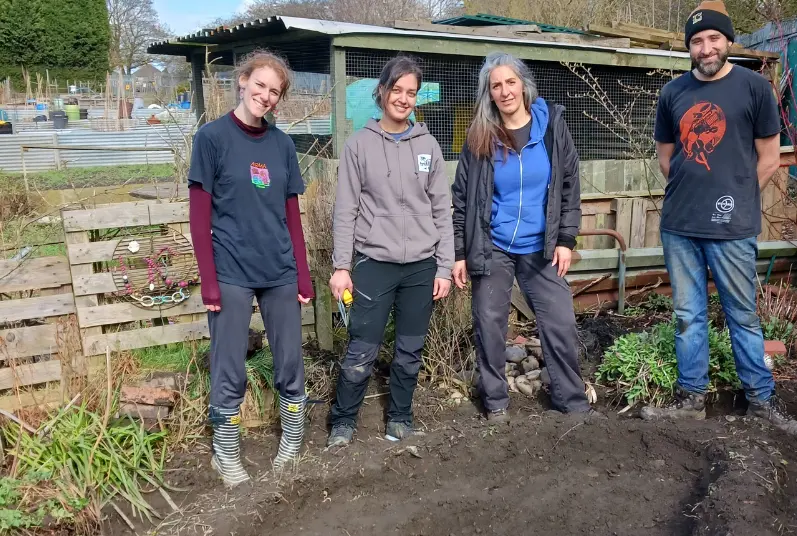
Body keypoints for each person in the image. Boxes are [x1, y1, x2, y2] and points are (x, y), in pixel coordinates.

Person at [639, 1, 797, 440]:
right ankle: (690, 399)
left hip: (732, 226)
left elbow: (770, 157)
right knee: (686, 314)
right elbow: (666, 159)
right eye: (697, 41)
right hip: (680, 223)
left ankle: (761, 399)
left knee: (742, 314)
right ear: (689, 48)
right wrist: (696, 187)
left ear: (728, 41)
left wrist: (731, 195)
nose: (706, 47)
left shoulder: (754, 88)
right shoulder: (673, 93)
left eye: (713, 38)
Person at [188, 50, 315, 486]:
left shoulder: (282, 144)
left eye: (274, 91)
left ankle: (293, 439)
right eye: (259, 84)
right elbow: (198, 217)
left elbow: (292, 216)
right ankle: (225, 453)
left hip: (278, 268)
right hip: (230, 270)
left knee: (289, 359)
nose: (265, 95)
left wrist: (302, 274)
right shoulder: (211, 138)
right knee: (229, 364)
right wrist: (209, 282)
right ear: (242, 81)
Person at [451, 52, 594, 423]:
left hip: (541, 247)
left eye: (510, 82)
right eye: (496, 85)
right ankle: (495, 401)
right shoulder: (479, 135)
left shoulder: (552, 128)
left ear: (523, 85)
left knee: (560, 321)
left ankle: (572, 401)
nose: (504, 91)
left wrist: (565, 239)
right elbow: (462, 198)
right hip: (492, 246)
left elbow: (569, 186)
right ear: (489, 92)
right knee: (489, 323)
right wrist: (459, 252)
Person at [326, 55, 453, 447]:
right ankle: (343, 421)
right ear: (382, 92)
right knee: (362, 346)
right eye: (396, 90)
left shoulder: (427, 145)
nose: (403, 99)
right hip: (373, 264)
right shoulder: (359, 145)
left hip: (420, 266)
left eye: (411, 92)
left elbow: (442, 210)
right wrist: (341, 266)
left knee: (410, 348)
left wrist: (445, 267)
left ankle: (400, 416)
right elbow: (345, 209)